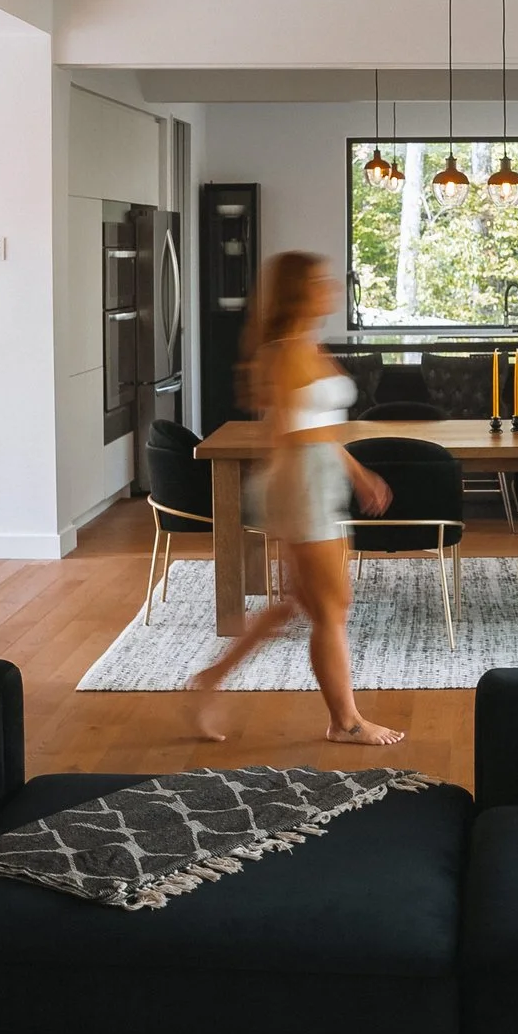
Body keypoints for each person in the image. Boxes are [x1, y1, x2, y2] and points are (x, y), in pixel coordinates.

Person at [189, 250, 403, 746]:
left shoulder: (307, 345)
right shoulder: (283, 353)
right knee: (332, 608)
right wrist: (333, 483)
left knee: (296, 605)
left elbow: (321, 428)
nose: (329, 286)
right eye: (318, 280)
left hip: (317, 480)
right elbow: (289, 434)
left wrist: (357, 471)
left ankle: (208, 680)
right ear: (297, 292)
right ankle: (346, 723)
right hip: (302, 485)